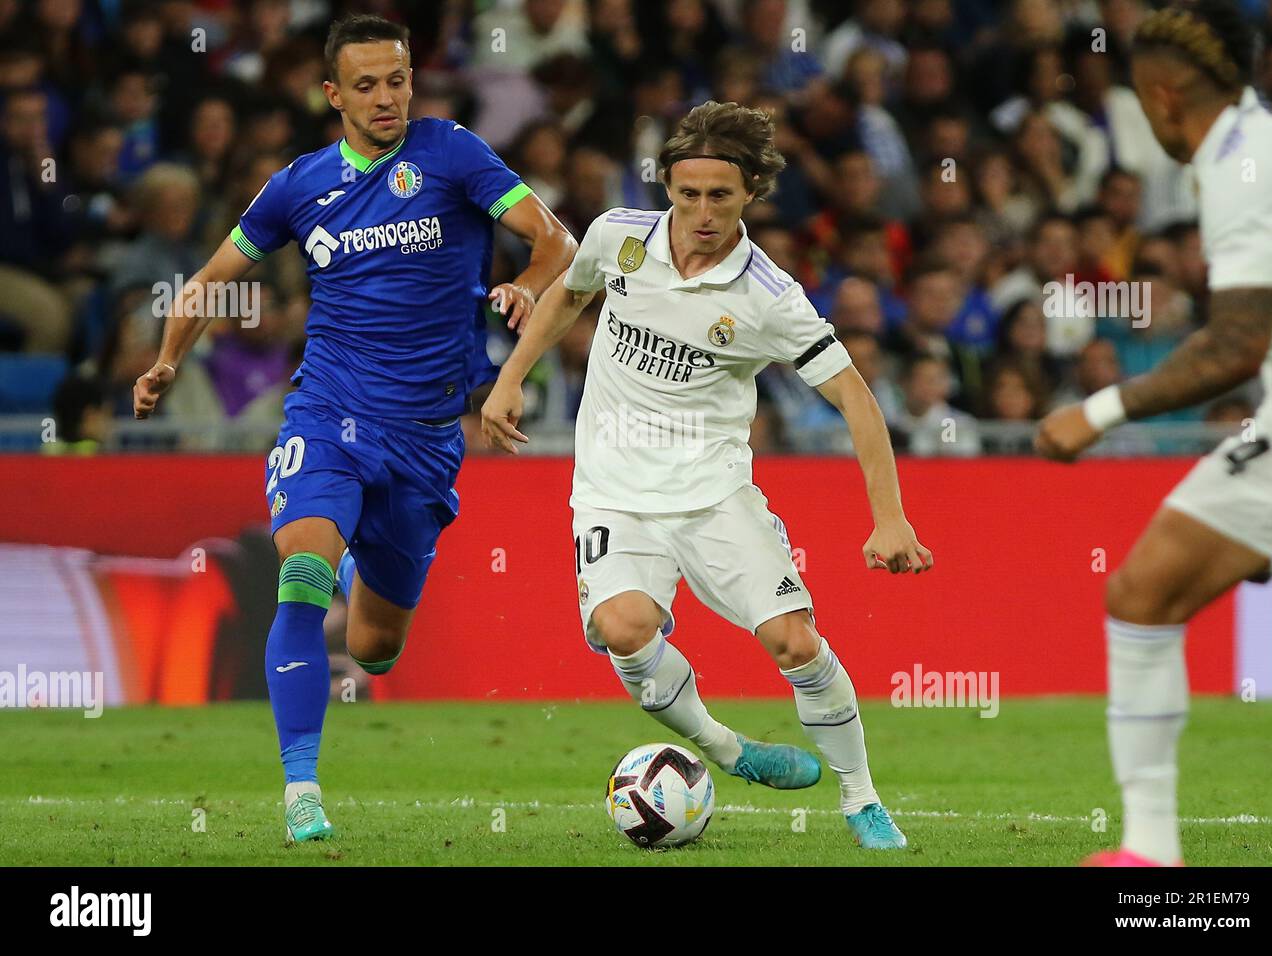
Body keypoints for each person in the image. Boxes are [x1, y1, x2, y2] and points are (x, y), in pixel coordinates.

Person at [132, 14, 576, 844]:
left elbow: (556, 239)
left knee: (375, 649)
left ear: (413, 79)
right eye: (366, 85)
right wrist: (165, 361)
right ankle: (301, 785)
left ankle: (360, 578)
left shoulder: (453, 154)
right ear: (332, 93)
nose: (386, 98)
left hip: (428, 436)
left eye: (397, 80)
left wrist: (523, 282)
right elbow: (205, 284)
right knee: (302, 566)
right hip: (329, 413)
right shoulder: (297, 185)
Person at [481, 100, 933, 850]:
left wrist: (890, 518)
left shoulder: (768, 297)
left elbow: (856, 398)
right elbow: (569, 291)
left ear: (750, 191)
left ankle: (861, 797)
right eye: (687, 193)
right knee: (621, 628)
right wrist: (511, 378)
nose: (700, 212)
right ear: (666, 185)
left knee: (793, 642)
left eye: (719, 195)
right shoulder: (617, 237)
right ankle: (728, 750)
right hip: (614, 491)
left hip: (714, 495)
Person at [1036, 0, 1272, 867]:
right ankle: (1149, 854)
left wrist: (1096, 413)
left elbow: (1234, 345)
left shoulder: (1246, 164)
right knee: (1143, 594)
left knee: (1141, 599)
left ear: (1161, 94)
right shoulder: (1266, 144)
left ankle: (1151, 850)